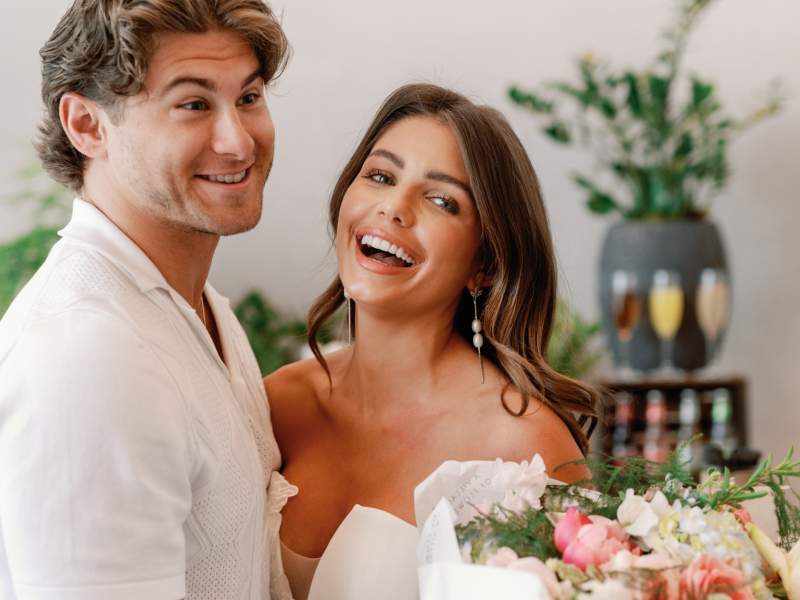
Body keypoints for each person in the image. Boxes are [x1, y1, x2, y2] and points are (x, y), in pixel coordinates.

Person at [0, 1, 293, 599]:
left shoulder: (198, 308)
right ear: (86, 125)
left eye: (249, 97)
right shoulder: (91, 351)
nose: (238, 142)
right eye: (193, 104)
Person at [265, 83, 601, 600]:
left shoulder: (522, 447)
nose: (394, 208)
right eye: (380, 176)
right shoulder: (277, 406)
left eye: (443, 201)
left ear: (484, 265)